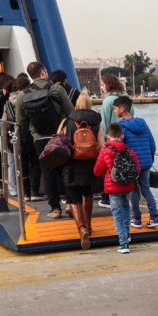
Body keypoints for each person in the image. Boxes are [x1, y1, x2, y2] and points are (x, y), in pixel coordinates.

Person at [14, 60, 73, 218]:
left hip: (39, 138)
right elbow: (70, 112)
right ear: (43, 72)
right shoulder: (57, 89)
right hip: (59, 136)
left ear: (31, 76)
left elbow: (20, 120)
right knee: (65, 169)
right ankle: (70, 203)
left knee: (47, 172)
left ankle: (55, 208)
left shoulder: (23, 95)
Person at [113, 95, 158, 228]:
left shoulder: (121, 127)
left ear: (122, 109)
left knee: (133, 190)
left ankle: (137, 218)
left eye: (115, 108)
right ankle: (155, 217)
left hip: (132, 164)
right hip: (146, 162)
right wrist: (150, 159)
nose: (114, 111)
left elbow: (120, 147)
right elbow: (152, 143)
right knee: (145, 188)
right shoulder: (142, 123)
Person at [94, 123, 141, 254]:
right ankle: (127, 234)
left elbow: (97, 171)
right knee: (126, 209)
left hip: (113, 187)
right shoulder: (129, 151)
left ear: (108, 136)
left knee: (117, 214)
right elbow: (137, 169)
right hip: (128, 186)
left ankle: (123, 243)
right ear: (122, 136)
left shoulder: (105, 151)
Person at [63, 92, 102, 249]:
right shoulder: (96, 121)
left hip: (73, 164)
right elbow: (101, 144)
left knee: (74, 197)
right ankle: (89, 224)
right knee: (88, 193)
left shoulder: (69, 120)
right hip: (91, 164)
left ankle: (82, 228)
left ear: (76, 104)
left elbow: (62, 140)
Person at [98, 73, 126, 208]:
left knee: (109, 167)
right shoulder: (125, 99)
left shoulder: (108, 101)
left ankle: (107, 197)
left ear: (108, 85)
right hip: (123, 137)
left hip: (111, 137)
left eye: (103, 84)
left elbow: (104, 122)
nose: (101, 87)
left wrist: (102, 139)